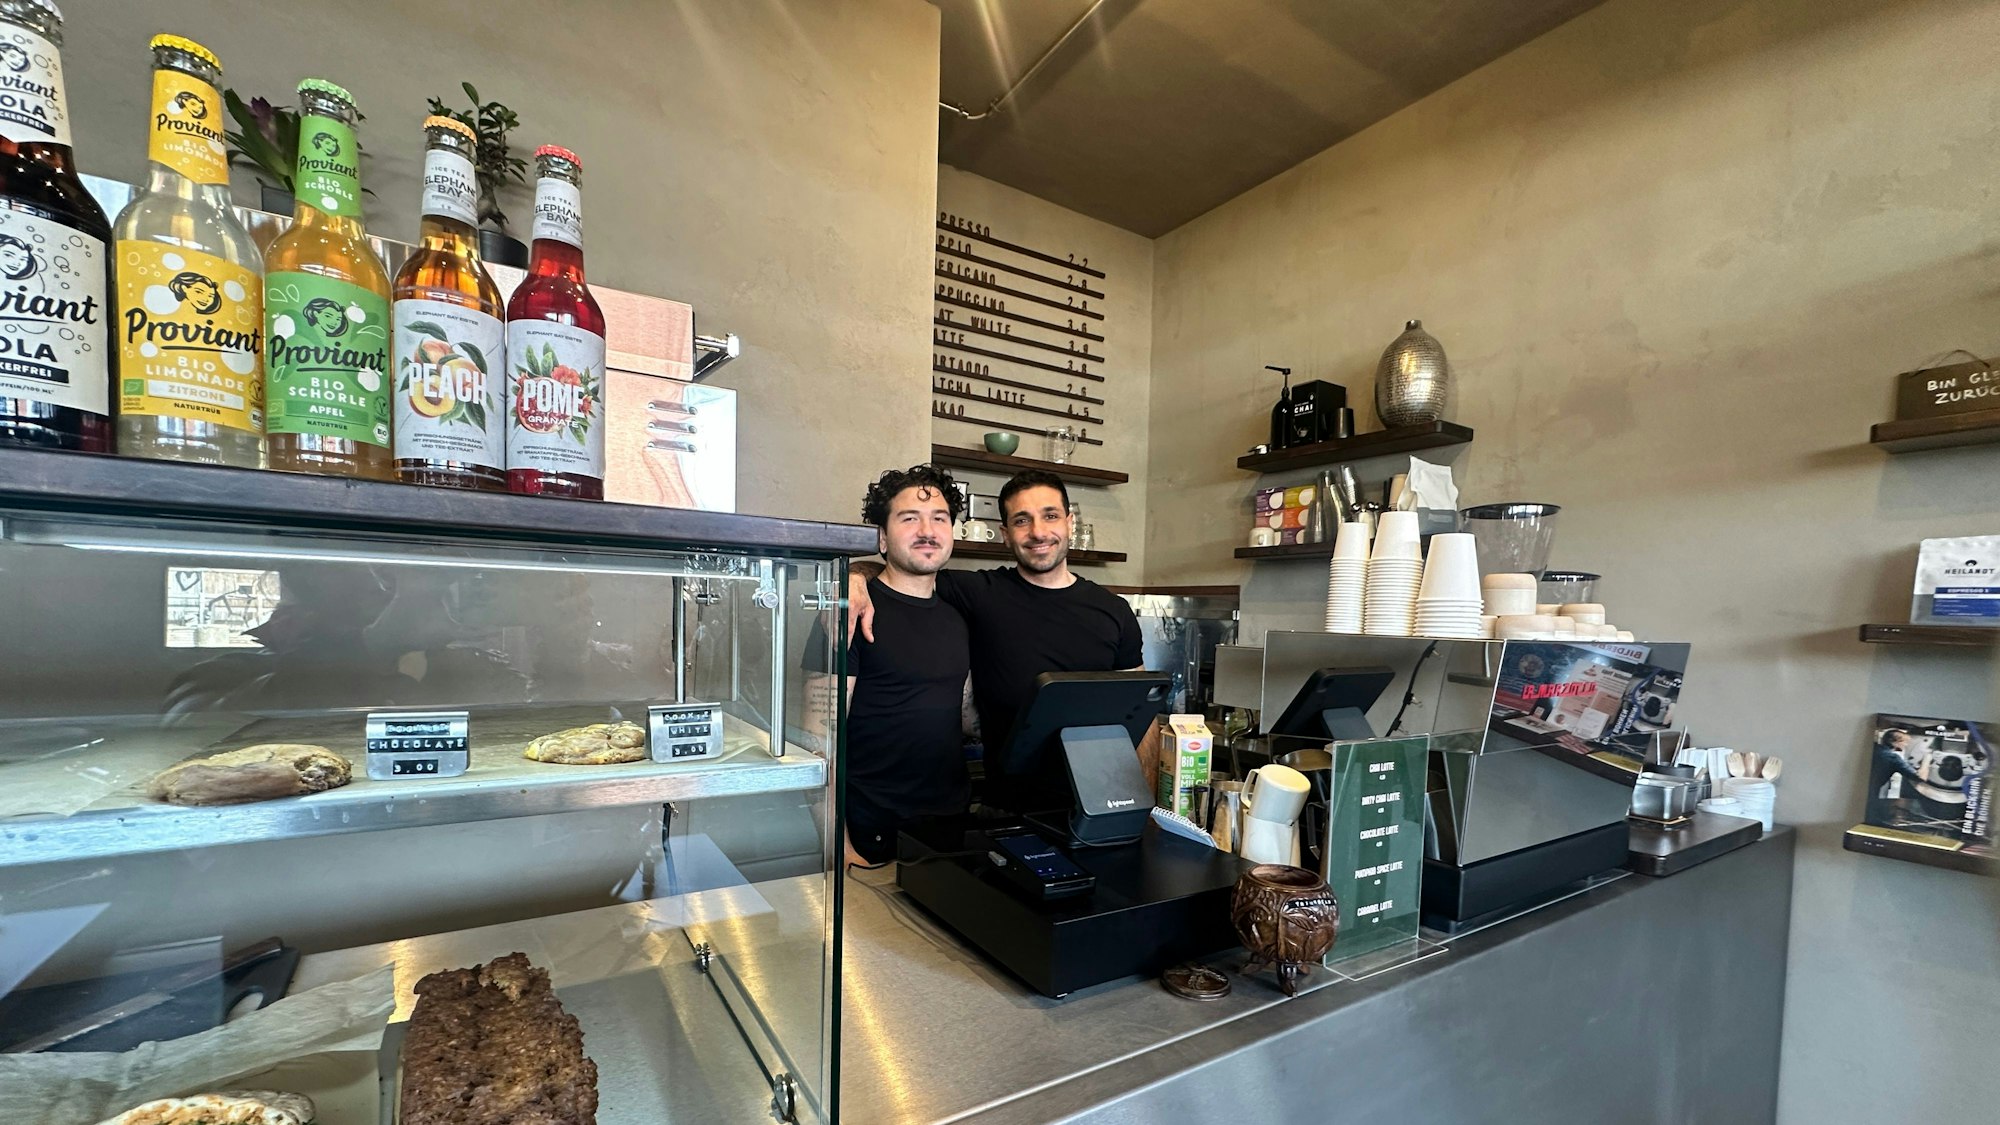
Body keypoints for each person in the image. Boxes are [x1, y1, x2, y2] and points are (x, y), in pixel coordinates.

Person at [851, 468, 1144, 812]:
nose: (1038, 532)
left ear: (1069, 522)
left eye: (1050, 516)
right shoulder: (976, 593)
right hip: (1008, 807)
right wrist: (852, 579)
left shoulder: (1114, 610)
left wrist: (1149, 808)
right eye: (1022, 521)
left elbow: (1141, 714)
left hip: (1102, 801)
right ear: (1005, 534)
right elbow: (906, 571)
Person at [815, 465, 973, 866]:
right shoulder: (848, 612)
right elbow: (818, 744)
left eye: (940, 519)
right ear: (882, 539)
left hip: (949, 823)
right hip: (873, 828)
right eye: (909, 519)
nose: (927, 530)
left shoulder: (959, 615)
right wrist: (840, 848)